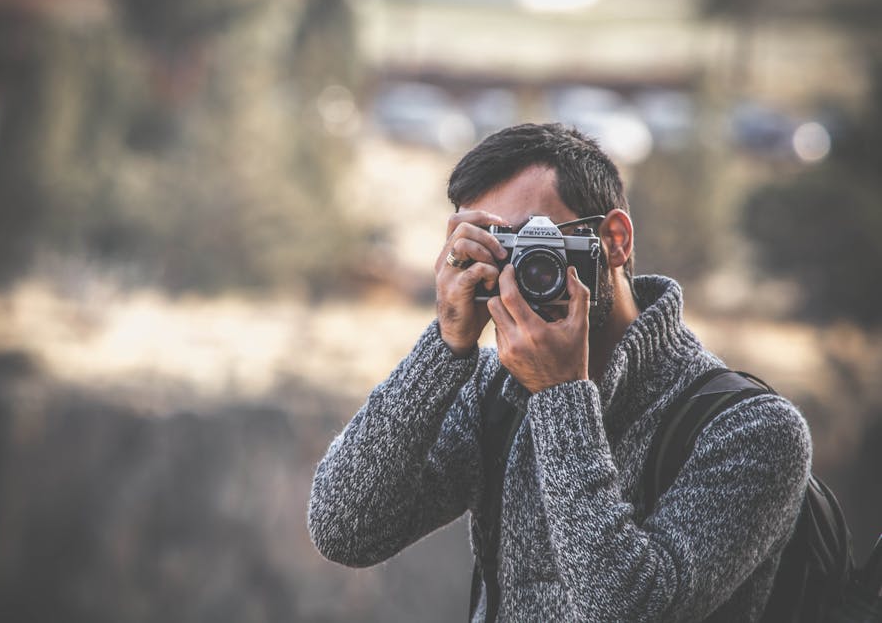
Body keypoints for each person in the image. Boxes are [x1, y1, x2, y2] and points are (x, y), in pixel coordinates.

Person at [307, 123, 811, 621]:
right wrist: (444, 347)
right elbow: (345, 529)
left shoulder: (752, 430)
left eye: (537, 242)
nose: (518, 272)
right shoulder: (493, 390)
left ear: (615, 240)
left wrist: (562, 397)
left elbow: (627, 611)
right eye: (493, 247)